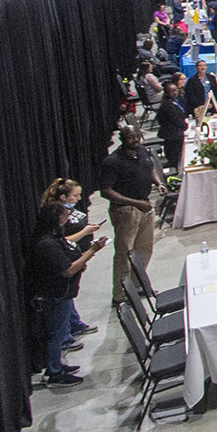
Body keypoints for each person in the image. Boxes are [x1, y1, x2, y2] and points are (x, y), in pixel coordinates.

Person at [26, 202, 107, 387]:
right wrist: (91, 252)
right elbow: (67, 270)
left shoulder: (54, 238)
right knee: (56, 335)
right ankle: (55, 374)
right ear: (58, 218)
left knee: (60, 332)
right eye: (65, 213)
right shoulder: (46, 244)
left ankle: (57, 366)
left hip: (63, 293)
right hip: (55, 295)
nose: (68, 216)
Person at [99, 126, 157, 304]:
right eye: (130, 137)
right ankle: (120, 293)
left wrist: (158, 183)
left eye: (137, 136)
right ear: (122, 138)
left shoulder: (143, 152)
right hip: (125, 210)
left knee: (144, 249)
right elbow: (106, 191)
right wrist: (134, 203)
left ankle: (136, 285)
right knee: (124, 253)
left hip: (145, 206)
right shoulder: (113, 162)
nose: (135, 139)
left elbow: (151, 169)